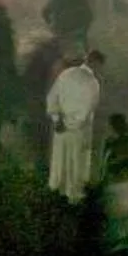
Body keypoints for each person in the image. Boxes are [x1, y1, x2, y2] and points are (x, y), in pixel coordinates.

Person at [45, 50, 104, 202]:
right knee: (76, 162)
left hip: (61, 127)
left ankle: (57, 194)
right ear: (96, 63)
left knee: (61, 161)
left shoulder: (66, 75)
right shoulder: (92, 83)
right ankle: (74, 196)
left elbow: (52, 97)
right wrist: (73, 123)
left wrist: (57, 119)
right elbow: (87, 109)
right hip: (79, 131)